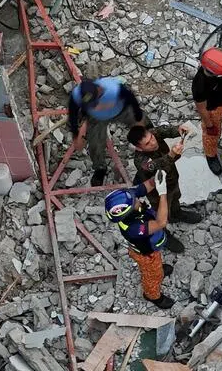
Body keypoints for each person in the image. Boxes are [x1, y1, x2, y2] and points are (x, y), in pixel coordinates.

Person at [104, 172, 174, 309]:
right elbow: (161, 222)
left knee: (157, 264)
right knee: (151, 276)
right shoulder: (133, 228)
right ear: (127, 211)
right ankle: (152, 295)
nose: (137, 199)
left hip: (151, 246)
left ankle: (159, 269)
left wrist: (156, 180)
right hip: (146, 254)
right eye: (135, 201)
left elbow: (142, 188)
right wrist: (163, 193)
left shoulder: (129, 199)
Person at [128, 123, 202, 247]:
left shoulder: (152, 134)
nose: (153, 142)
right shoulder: (141, 161)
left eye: (152, 137)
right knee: (161, 213)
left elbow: (163, 130)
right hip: (157, 191)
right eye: (147, 143)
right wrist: (172, 155)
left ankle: (176, 213)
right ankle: (163, 234)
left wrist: (178, 130)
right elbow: (156, 167)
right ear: (139, 148)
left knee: (176, 196)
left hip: (172, 178)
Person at [68, 74, 146, 186]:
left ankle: (152, 148)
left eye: (94, 103)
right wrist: (76, 135)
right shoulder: (77, 94)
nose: (94, 106)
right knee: (95, 145)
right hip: (96, 118)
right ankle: (100, 168)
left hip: (120, 110)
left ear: (100, 90)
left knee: (144, 128)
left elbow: (131, 99)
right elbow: (72, 113)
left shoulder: (113, 89)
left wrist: (138, 119)